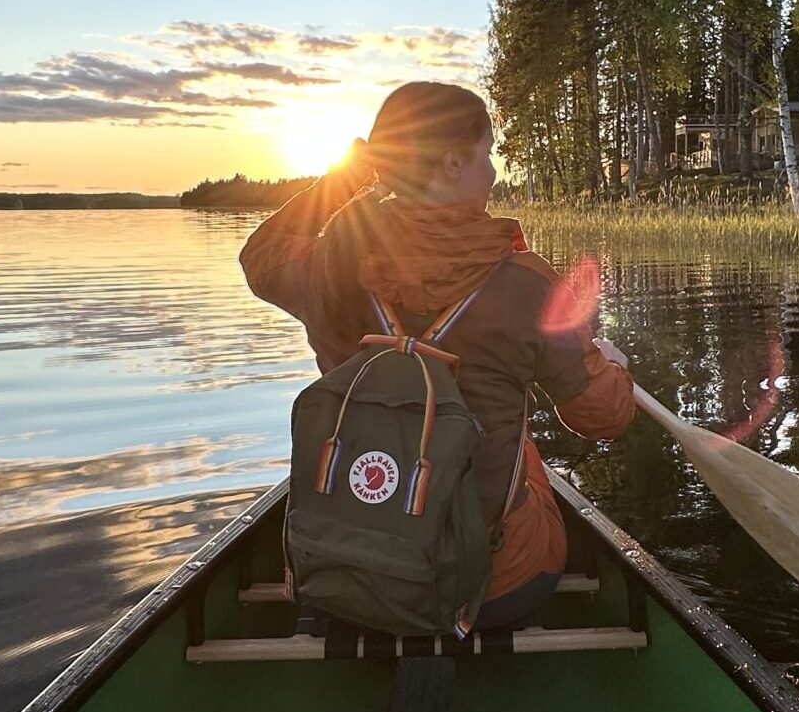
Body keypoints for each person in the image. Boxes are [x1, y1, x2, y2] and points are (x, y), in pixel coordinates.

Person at [240, 81, 635, 630]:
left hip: (348, 577)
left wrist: (348, 175)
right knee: (524, 450)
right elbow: (602, 417)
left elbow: (260, 254)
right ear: (453, 161)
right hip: (490, 589)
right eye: (487, 154)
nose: (494, 172)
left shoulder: (327, 263)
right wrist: (611, 367)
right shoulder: (529, 285)